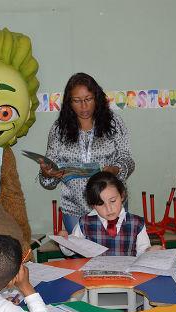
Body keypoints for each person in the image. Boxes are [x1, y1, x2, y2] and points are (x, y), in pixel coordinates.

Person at [39, 72, 135, 233]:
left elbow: (127, 159)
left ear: (96, 98)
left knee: (114, 254)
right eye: (77, 101)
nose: (83, 106)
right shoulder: (59, 130)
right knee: (81, 255)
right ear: (69, 103)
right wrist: (48, 174)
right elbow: (48, 178)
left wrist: (115, 170)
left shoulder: (113, 123)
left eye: (88, 99)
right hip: (74, 209)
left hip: (111, 204)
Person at [58, 171, 160, 257]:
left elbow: (142, 251)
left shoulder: (137, 223)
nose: (109, 208)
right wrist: (64, 241)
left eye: (113, 201)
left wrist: (150, 251)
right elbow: (70, 251)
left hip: (126, 278)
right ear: (93, 205)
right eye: (101, 204)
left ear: (122, 195)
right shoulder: (85, 223)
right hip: (96, 277)